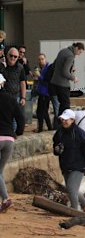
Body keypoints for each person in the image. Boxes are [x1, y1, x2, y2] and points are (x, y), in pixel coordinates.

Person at [52, 109, 85, 214]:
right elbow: (55, 146)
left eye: (66, 120)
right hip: (65, 165)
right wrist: (56, 150)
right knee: (72, 190)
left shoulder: (79, 133)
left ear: (72, 120)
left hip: (78, 166)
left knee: (71, 189)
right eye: (62, 119)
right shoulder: (59, 132)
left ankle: (75, 212)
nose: (64, 121)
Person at [0, 74, 25, 212]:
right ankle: (4, 199)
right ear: (3, 84)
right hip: (9, 139)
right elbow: (21, 118)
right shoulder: (10, 99)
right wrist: (19, 132)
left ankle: (5, 199)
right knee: (0, 170)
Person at [51, 42, 84, 117]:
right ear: (76, 48)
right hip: (63, 84)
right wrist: (73, 77)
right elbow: (65, 72)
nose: (79, 54)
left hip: (54, 82)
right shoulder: (70, 56)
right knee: (65, 106)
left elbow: (54, 65)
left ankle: (58, 123)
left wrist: (70, 71)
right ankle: (63, 123)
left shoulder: (62, 51)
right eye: (80, 52)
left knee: (60, 105)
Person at [0, 48, 26, 131]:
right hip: (3, 97)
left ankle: (12, 137)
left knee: (15, 119)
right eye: (11, 56)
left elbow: (22, 83)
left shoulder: (20, 68)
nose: (13, 58)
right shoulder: (2, 65)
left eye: (15, 57)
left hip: (15, 96)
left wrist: (23, 97)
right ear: (7, 55)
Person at [35, 54, 52, 132]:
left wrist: (39, 76)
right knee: (42, 111)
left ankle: (42, 128)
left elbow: (47, 81)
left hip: (45, 92)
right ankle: (47, 127)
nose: (40, 61)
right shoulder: (42, 69)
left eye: (42, 59)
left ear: (45, 59)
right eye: (39, 59)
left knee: (41, 111)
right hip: (42, 92)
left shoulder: (48, 68)